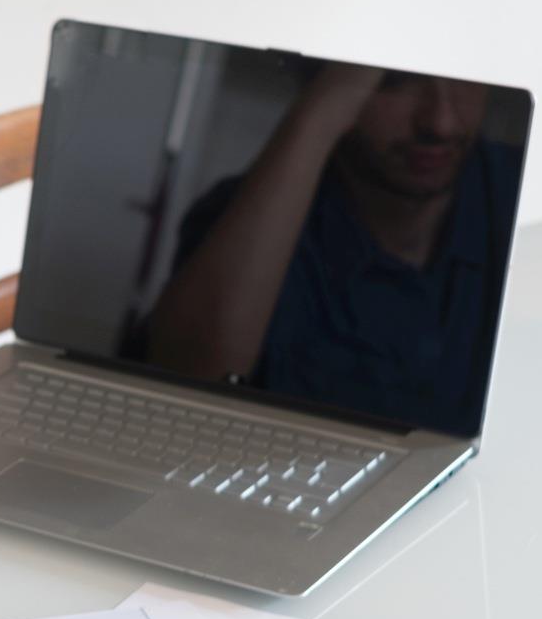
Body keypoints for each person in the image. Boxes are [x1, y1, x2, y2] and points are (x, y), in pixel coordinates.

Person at [146, 64, 517, 435]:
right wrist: (318, 120)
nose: (441, 124)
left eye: (465, 75)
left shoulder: (518, 190)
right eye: (394, 82)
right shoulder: (251, 217)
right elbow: (184, 398)